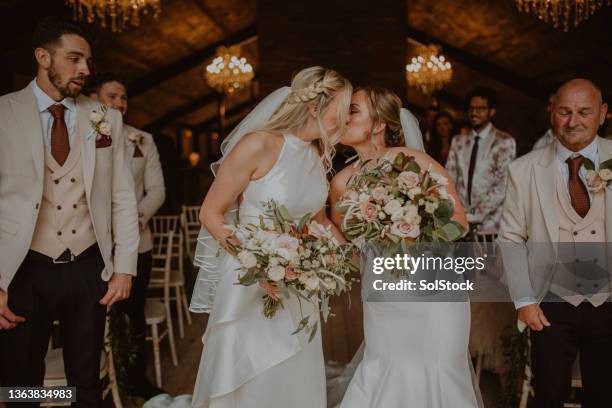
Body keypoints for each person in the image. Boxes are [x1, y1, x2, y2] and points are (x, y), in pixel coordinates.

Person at [190, 66, 352, 408]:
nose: (345, 119)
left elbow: (318, 219)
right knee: (251, 375)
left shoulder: (317, 156)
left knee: (291, 372)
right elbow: (210, 213)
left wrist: (353, 256)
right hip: (249, 281)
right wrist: (259, 265)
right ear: (315, 110)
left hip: (298, 284)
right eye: (341, 109)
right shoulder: (259, 145)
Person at [0, 17, 138, 406]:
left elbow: (123, 196)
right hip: (21, 267)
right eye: (74, 59)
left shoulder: (106, 117)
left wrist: (124, 266)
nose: (85, 70)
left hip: (87, 264)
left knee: (85, 383)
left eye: (88, 61)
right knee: (21, 385)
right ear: (42, 57)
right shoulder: (3, 113)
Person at [329, 87, 482, 408]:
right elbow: (346, 240)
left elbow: (459, 221)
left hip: (434, 288)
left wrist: (411, 234)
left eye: (353, 110)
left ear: (379, 123)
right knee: (387, 367)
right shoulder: (342, 182)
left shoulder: (416, 162)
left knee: (438, 370)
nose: (343, 117)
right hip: (384, 291)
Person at [499, 79, 611, 407]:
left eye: (583, 112)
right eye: (564, 111)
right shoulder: (523, 170)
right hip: (550, 304)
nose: (572, 121)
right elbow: (510, 238)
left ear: (603, 114)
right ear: (551, 113)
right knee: (548, 395)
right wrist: (523, 300)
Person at [89, 72, 166, 399]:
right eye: (112, 96)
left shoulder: (142, 139)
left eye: (123, 98)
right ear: (95, 99)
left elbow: (157, 190)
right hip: (90, 244)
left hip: (137, 243)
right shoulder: (83, 134)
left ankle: (136, 379)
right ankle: (96, 385)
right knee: (91, 319)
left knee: (132, 315)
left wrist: (135, 218)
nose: (120, 103)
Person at [446, 87, 516, 231]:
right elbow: (450, 177)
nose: (474, 112)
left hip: (492, 222)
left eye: (480, 108)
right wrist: (456, 211)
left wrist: (474, 215)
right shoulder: (458, 141)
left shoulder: (504, 141)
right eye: (471, 108)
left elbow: (503, 185)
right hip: (460, 220)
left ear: (492, 111)